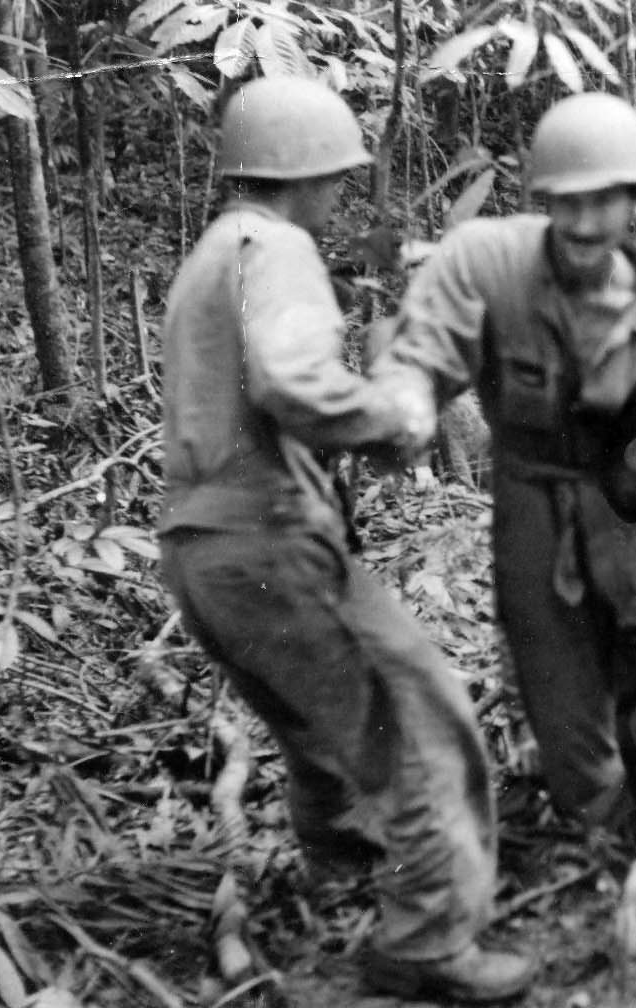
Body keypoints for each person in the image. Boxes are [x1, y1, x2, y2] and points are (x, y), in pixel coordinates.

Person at [155, 78, 533, 1003]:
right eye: (337, 177)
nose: (340, 196)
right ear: (307, 171)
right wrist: (391, 414)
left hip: (202, 546)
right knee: (420, 721)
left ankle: (342, 862)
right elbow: (292, 382)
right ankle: (431, 938)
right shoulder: (277, 248)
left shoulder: (217, 250)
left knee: (316, 719)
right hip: (267, 539)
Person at [373, 92, 636, 848]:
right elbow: (424, 356)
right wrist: (403, 399)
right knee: (567, 726)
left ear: (635, 202)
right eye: (566, 202)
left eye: (604, 201)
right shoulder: (487, 263)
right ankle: (618, 854)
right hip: (533, 504)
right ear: (539, 199)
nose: (585, 223)